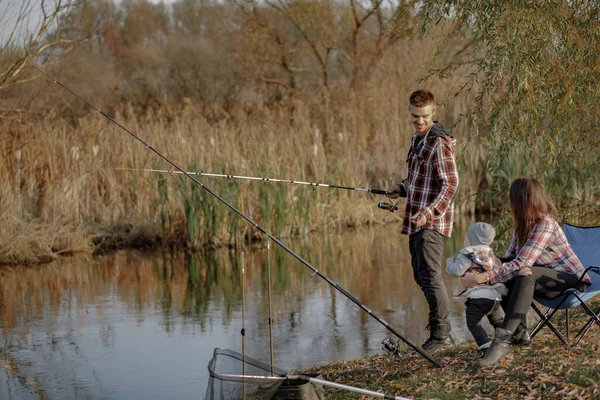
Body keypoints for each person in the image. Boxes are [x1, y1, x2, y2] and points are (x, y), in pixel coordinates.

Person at [461, 177, 591, 367]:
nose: (511, 205)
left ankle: (502, 341)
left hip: (570, 280)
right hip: (541, 277)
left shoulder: (545, 224)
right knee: (509, 275)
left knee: (524, 272)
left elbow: (522, 263)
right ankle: (520, 334)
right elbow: (511, 259)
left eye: (513, 201)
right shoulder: (522, 225)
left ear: (523, 201)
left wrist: (480, 278)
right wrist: (492, 264)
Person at [386, 90, 459, 351]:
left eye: (424, 116)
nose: (419, 121)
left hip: (431, 222)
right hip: (416, 220)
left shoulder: (438, 143)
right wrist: (401, 187)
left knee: (431, 276)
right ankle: (441, 330)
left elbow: (450, 186)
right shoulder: (418, 140)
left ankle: (441, 335)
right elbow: (421, 181)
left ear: (434, 112)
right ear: (409, 113)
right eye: (415, 116)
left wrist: (428, 213)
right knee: (420, 275)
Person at [446, 222, 507, 352]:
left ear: (473, 239)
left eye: (467, 237)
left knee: (473, 322)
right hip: (494, 297)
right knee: (496, 321)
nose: (465, 239)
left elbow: (456, 271)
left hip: (477, 297)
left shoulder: (468, 253)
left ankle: (484, 344)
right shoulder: (489, 253)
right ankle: (505, 339)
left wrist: (450, 262)